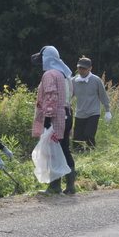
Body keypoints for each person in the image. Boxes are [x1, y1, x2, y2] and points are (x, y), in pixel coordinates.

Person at [31, 45, 76, 194]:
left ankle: (54, 186)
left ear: (47, 59)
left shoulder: (50, 74)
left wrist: (48, 118)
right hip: (67, 114)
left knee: (53, 150)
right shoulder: (65, 74)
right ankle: (70, 185)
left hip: (56, 116)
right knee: (64, 149)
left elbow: (51, 96)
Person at [72, 57, 111, 150]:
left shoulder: (96, 80)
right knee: (77, 139)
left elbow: (103, 96)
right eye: (80, 68)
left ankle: (91, 153)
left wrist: (107, 111)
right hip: (80, 113)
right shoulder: (74, 81)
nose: (82, 71)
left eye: (84, 69)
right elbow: (69, 96)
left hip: (93, 113)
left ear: (90, 68)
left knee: (89, 135)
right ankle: (80, 156)